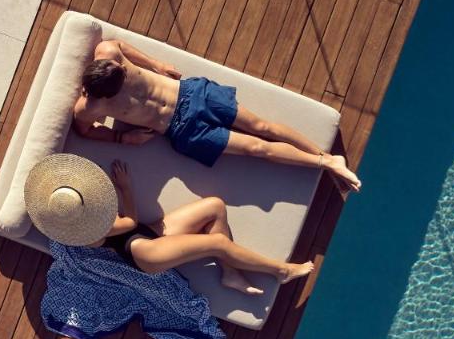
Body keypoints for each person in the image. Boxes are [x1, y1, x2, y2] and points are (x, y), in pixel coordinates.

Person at [71, 39, 361, 191]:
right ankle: (325, 162)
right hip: (180, 129)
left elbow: (120, 45)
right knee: (256, 148)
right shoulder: (90, 108)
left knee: (262, 126)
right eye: (123, 74)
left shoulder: (108, 52)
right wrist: (123, 139)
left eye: (122, 67)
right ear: (106, 95)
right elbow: (84, 130)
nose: (125, 68)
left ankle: (329, 160)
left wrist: (156, 64)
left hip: (192, 93)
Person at [98, 159, 313, 296]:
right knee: (218, 243)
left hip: (148, 232)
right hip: (145, 252)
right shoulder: (90, 231)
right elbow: (130, 222)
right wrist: (125, 188)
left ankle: (230, 273)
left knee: (215, 206)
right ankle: (281, 271)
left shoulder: (86, 205)